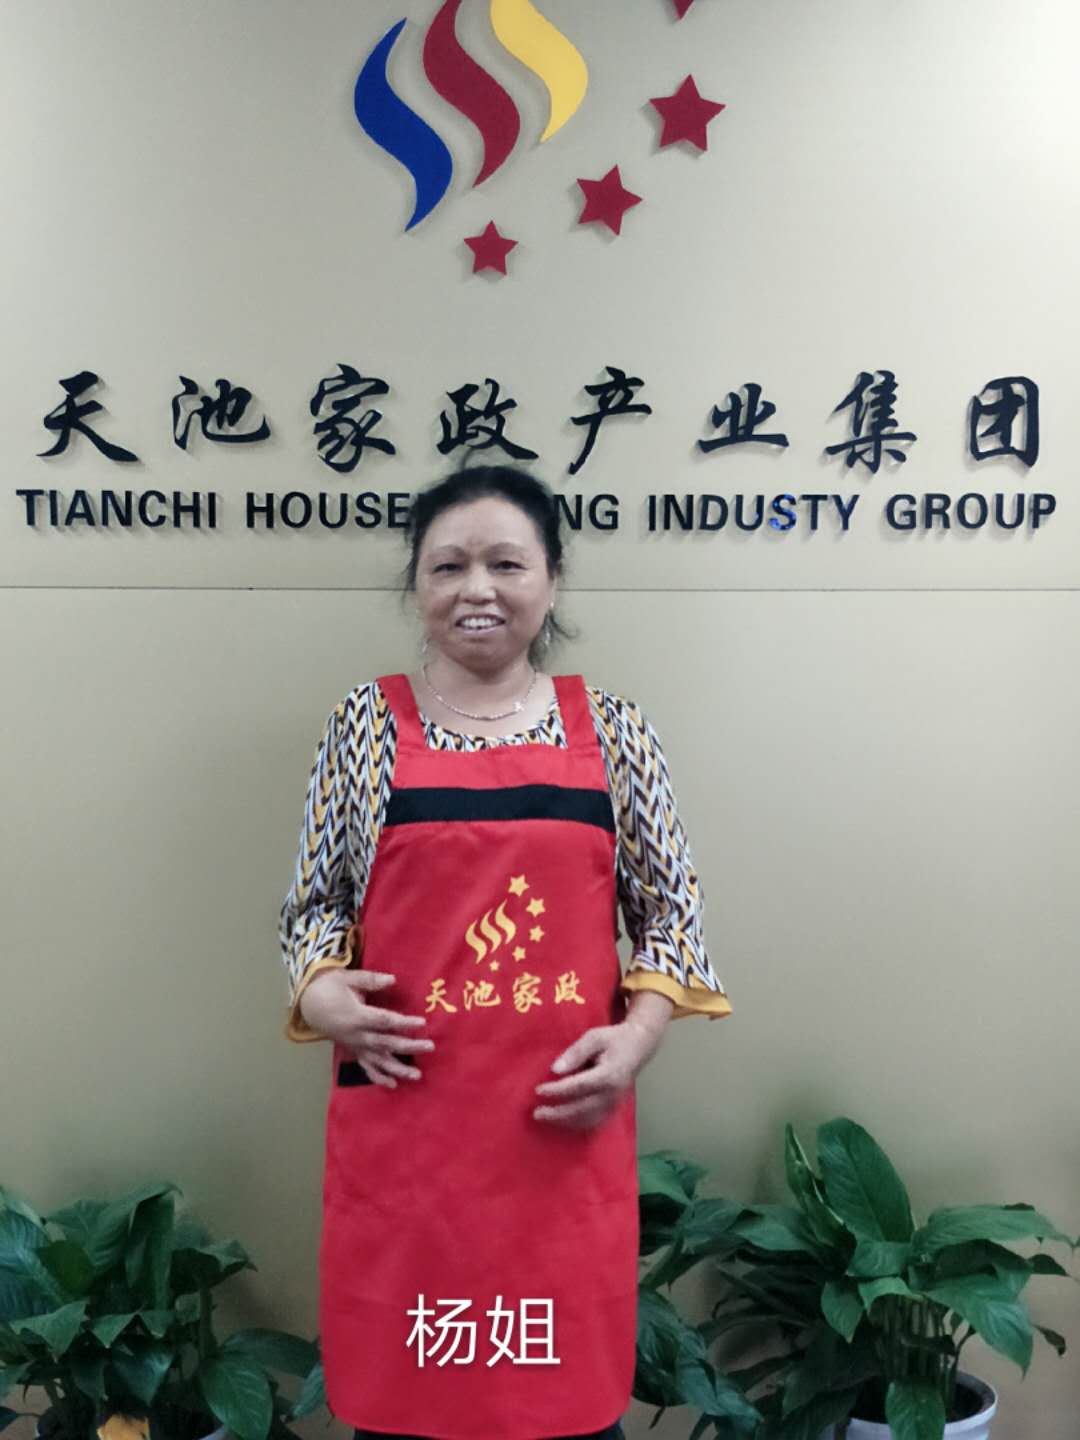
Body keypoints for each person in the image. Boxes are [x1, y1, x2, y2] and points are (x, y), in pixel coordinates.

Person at [278, 463, 732, 1440]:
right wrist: (320, 993)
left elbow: (672, 913)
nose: (475, 588)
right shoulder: (364, 725)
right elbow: (313, 906)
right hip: (410, 1134)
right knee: (408, 1406)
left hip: (558, 1138)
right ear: (416, 585)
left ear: (552, 580)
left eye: (505, 564)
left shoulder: (615, 731)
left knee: (560, 1409)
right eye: (447, 566)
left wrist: (638, 1036)